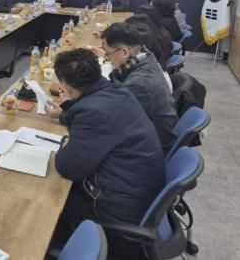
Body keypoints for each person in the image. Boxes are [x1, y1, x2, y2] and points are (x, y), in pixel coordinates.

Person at [45, 49, 164, 256]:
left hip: (115, 212)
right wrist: (66, 116)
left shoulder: (94, 113)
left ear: (67, 87)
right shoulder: (116, 90)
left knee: (45, 198)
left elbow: (67, 167)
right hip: (137, 193)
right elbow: (88, 113)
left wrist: (66, 142)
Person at [100, 23, 178, 151]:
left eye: (108, 54)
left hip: (150, 148)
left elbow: (111, 120)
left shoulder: (139, 84)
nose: (107, 58)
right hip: (150, 135)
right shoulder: (145, 57)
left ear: (125, 52)